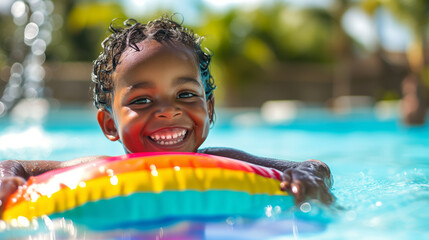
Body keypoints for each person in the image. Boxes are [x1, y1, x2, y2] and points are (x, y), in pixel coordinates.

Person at [0, 16, 334, 216]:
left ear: (210, 108)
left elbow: (311, 165)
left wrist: (310, 175)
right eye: (142, 100)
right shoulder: (96, 170)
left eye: (186, 95)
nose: (169, 110)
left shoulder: (223, 160)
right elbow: (16, 166)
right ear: (109, 125)